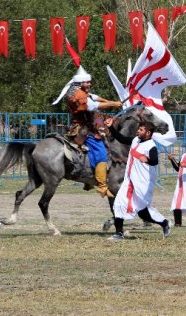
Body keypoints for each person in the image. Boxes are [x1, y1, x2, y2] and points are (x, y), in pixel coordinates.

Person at [55, 66, 121, 196]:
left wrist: (110, 101)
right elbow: (93, 105)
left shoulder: (80, 91)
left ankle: (88, 180)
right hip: (84, 129)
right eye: (87, 82)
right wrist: (113, 104)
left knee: (92, 151)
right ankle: (102, 186)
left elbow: (95, 97)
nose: (90, 84)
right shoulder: (78, 95)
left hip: (83, 126)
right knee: (101, 153)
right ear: (80, 83)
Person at [106, 118, 170, 240]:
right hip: (129, 181)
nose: (138, 131)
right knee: (119, 203)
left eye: (141, 130)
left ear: (148, 133)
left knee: (143, 212)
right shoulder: (136, 140)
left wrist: (148, 160)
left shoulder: (151, 146)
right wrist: (111, 127)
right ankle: (119, 233)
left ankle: (164, 223)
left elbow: (155, 161)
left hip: (143, 183)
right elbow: (121, 139)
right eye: (138, 129)